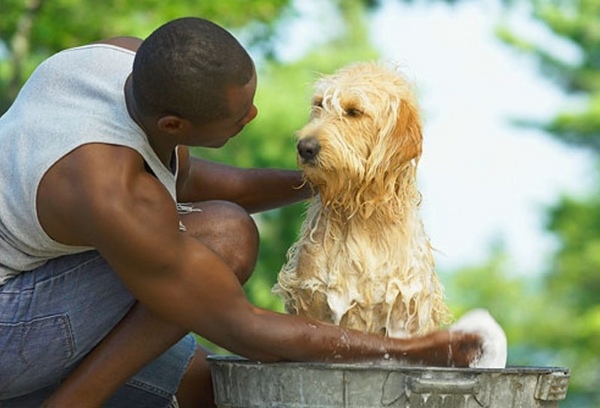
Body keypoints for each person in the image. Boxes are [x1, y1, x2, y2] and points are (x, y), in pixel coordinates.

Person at [0, 17, 482, 407]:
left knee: (206, 390)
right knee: (227, 236)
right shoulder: (109, 192)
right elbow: (242, 328)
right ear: (175, 123)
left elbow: (181, 177)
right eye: (237, 118)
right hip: (8, 319)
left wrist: (331, 181)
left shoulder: (125, 63)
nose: (251, 117)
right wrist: (413, 350)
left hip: (37, 274)